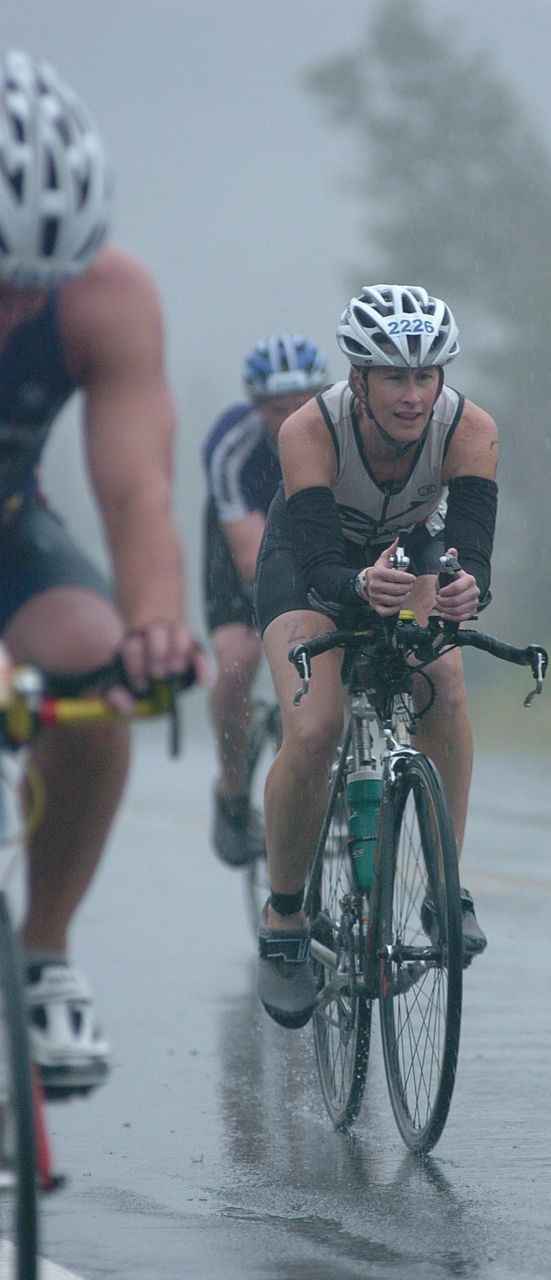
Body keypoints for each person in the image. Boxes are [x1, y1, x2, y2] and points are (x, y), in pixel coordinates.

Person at [0, 50, 207, 1095]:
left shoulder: (107, 296)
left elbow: (137, 492)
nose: (10, 311)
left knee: (91, 667)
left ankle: (41, 949)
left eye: (29, 286)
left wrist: (156, 625)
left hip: (9, 521)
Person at [253, 283, 498, 1028]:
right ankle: (286, 919)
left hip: (407, 553)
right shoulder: (310, 428)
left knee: (444, 684)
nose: (413, 394)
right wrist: (359, 585)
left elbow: (475, 555)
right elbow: (325, 563)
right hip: (308, 566)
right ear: (357, 376)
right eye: (394, 375)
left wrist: (464, 591)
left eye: (426, 375)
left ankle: (443, 888)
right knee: (317, 723)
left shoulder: (471, 428)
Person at [201, 333, 328, 867]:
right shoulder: (232, 445)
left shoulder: (343, 429)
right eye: (281, 409)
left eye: (305, 403)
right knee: (237, 661)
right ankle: (232, 791)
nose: (296, 416)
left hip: (316, 529)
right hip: (245, 542)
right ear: (256, 408)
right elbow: (253, 558)